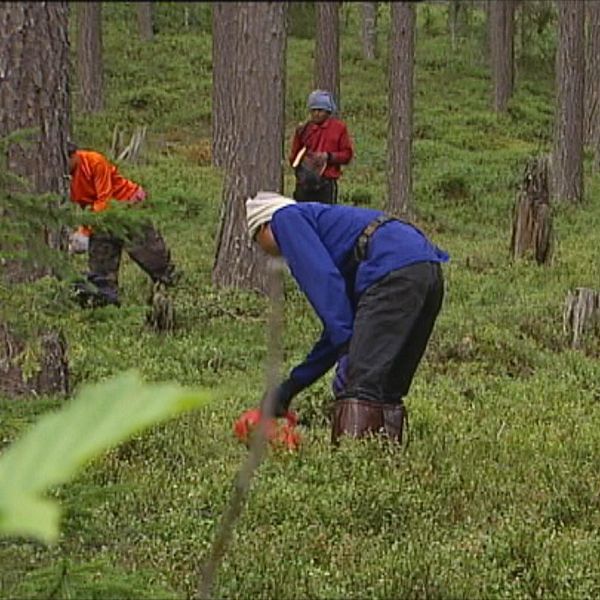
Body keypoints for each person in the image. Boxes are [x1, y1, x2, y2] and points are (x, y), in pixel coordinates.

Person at [246, 191, 449, 445]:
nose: (264, 251)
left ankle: (351, 465)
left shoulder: (284, 219)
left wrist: (347, 352)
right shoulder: (334, 234)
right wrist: (290, 388)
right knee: (386, 386)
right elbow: (341, 326)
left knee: (359, 383)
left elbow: (323, 282)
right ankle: (385, 467)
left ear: (263, 226)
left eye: (257, 241)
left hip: (391, 268)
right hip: (424, 268)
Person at [67, 142, 177, 307]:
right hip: (100, 220)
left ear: (74, 154)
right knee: (101, 270)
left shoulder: (95, 162)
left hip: (126, 206)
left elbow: (104, 199)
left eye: (68, 160)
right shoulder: (62, 176)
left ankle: (172, 285)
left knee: (151, 255)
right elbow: (85, 205)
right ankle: (106, 302)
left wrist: (85, 231)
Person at [288, 90, 353, 204]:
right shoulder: (303, 129)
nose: (316, 114)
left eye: (320, 110)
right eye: (313, 110)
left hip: (326, 184)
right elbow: (294, 156)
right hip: (304, 183)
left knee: (326, 218)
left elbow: (347, 155)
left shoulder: (339, 128)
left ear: (328, 112)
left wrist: (328, 157)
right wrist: (305, 162)